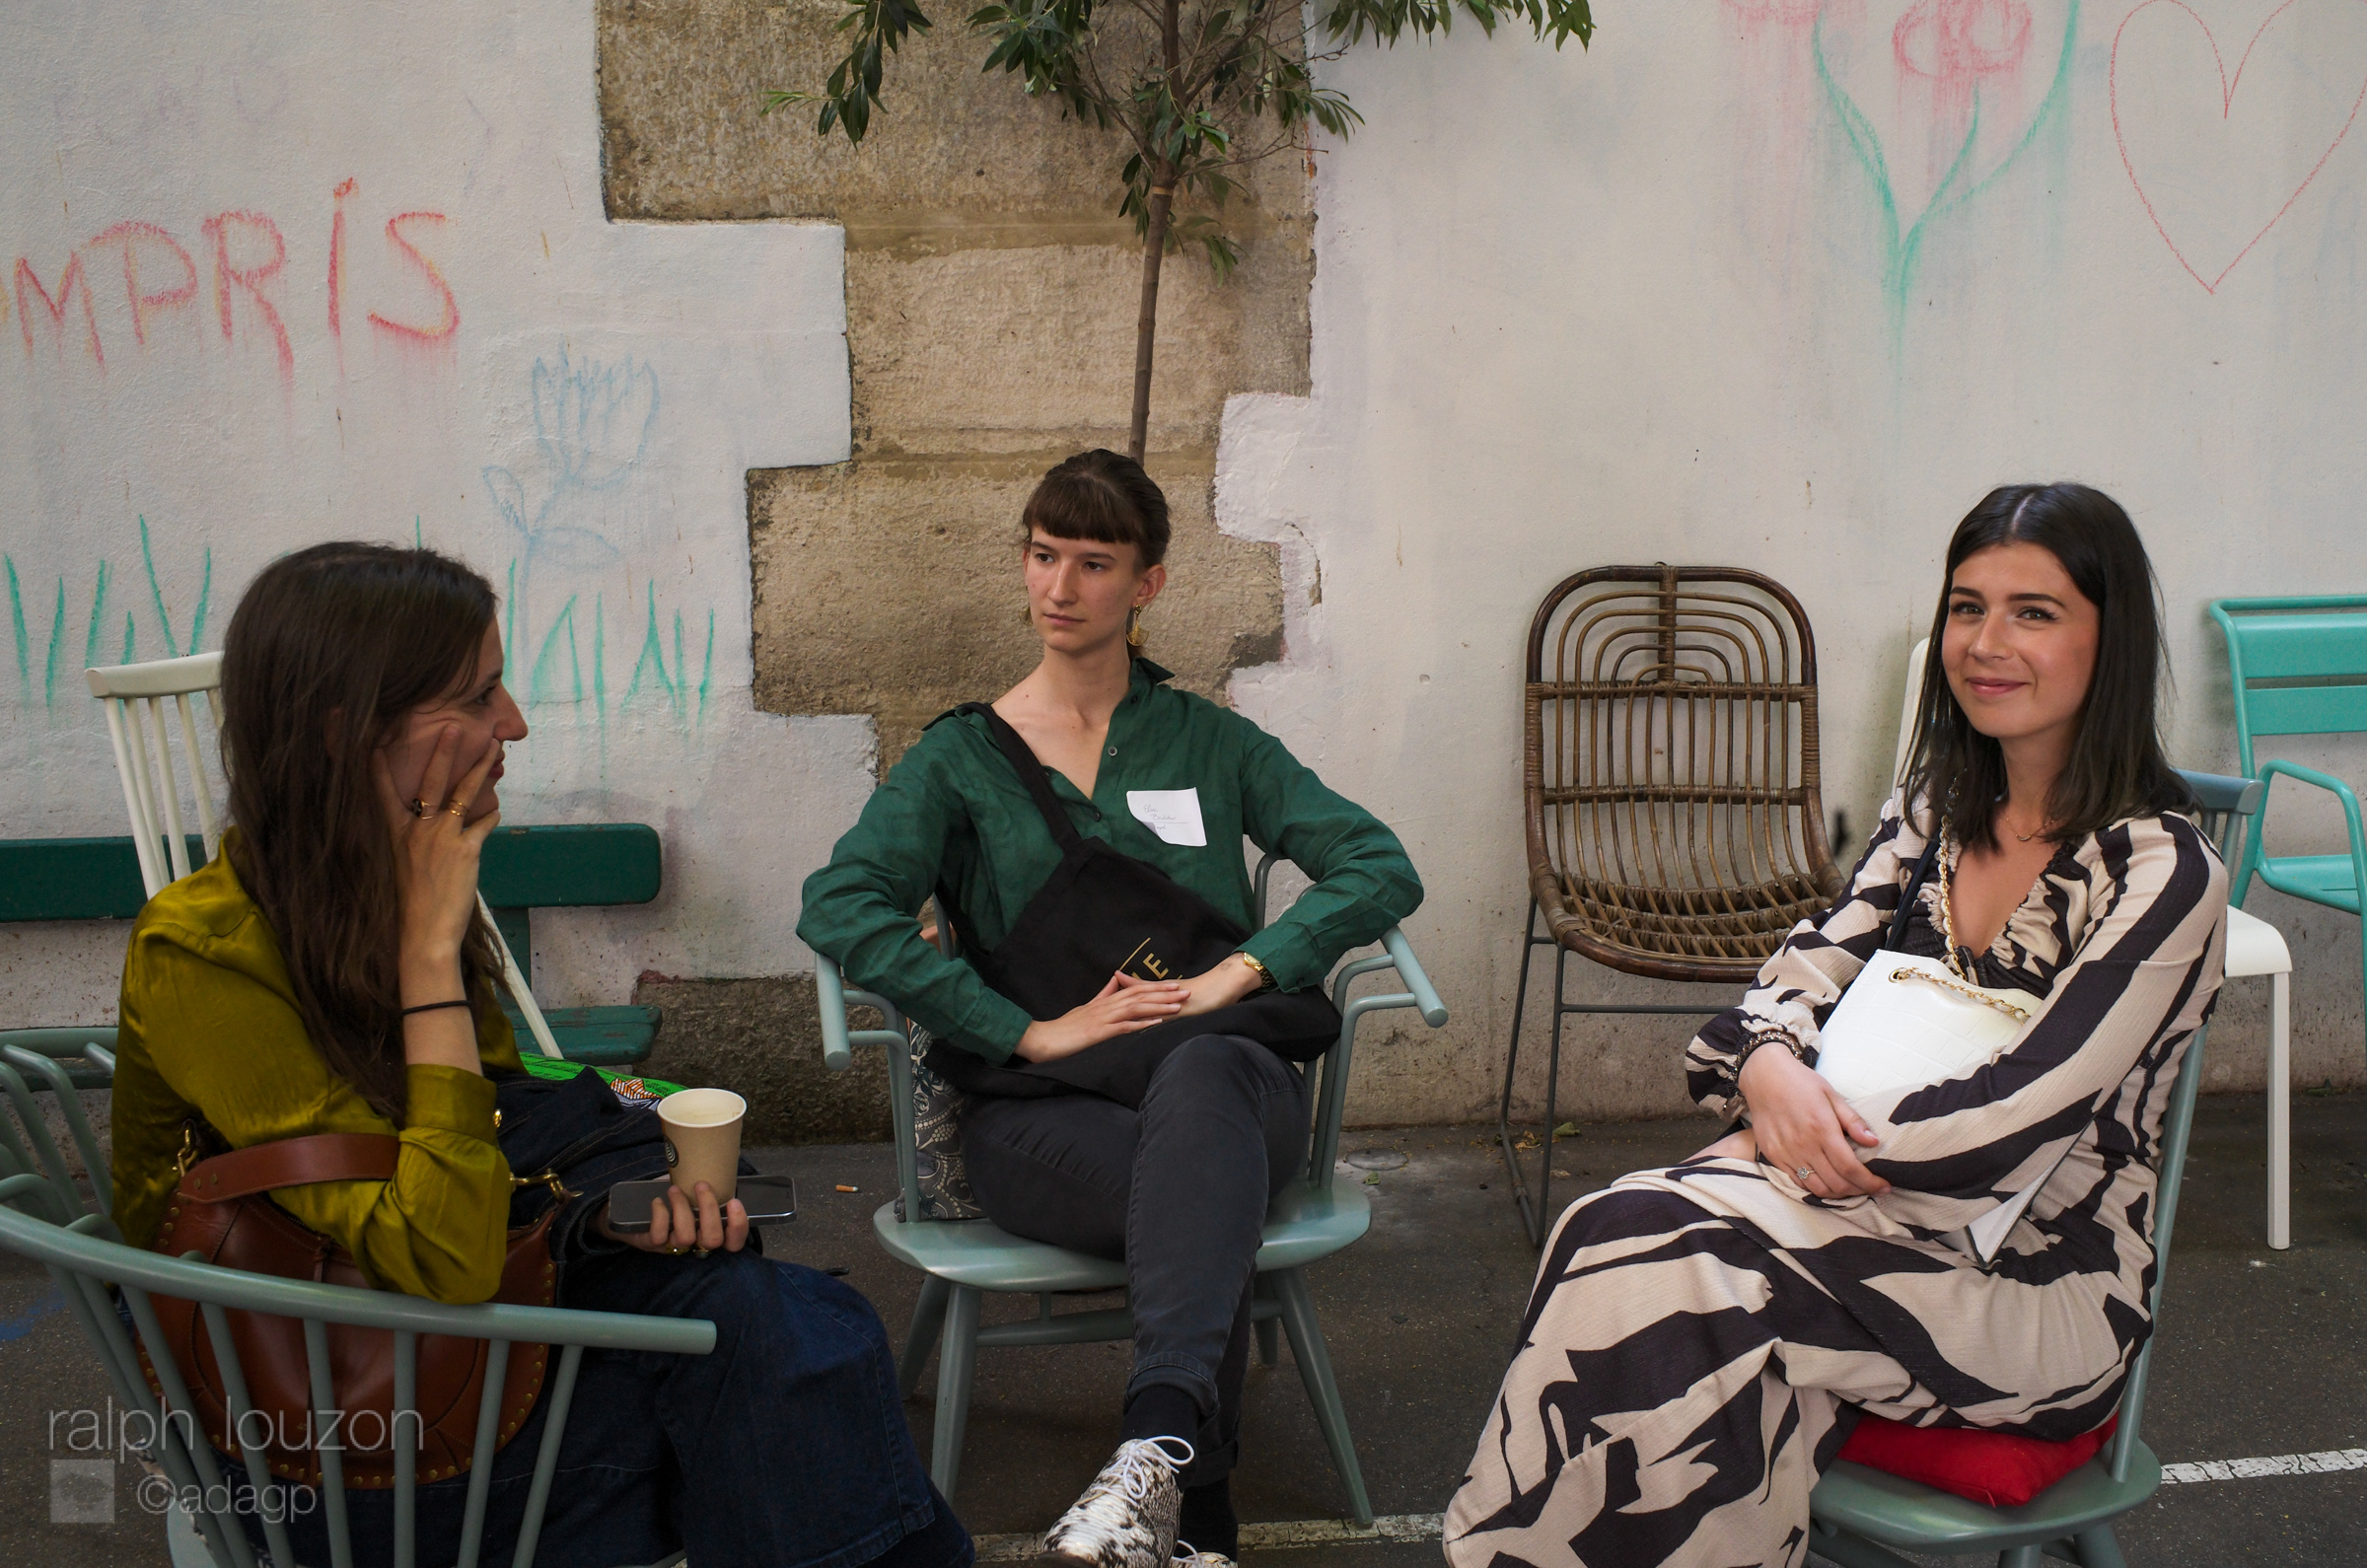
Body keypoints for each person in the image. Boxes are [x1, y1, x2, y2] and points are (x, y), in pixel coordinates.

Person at [109, 541, 971, 1568]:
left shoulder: (385, 884)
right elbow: (443, 1257)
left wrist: (602, 1222)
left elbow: (494, 1136)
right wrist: (430, 952)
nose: (513, 722)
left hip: (449, 1352)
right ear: (348, 732)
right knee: (789, 1375)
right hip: (332, 1435)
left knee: (789, 1330)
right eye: (477, 696)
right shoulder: (202, 952)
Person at [1445, 484, 2228, 1568]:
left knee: (1666, 1253)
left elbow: (2012, 1123)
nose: (1986, 644)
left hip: (2036, 1282)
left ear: (2113, 637)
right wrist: (1769, 1069)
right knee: (1617, 1227)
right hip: (1845, 1217)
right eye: (1966, 607)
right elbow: (1784, 989)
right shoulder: (1930, 819)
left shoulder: (2160, 872)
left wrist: (1774, 1136)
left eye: (2033, 612)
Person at [798, 450, 1424, 1568]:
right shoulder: (959, 761)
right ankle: (1189, 1501)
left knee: (1207, 1078)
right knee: (1202, 1191)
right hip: (1043, 1114)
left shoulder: (1211, 742)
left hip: (1226, 1083)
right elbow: (842, 908)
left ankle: (1154, 1469)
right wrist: (1022, 1029)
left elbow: (1374, 864)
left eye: (1094, 562)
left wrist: (1249, 969)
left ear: (1148, 586)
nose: (1060, 586)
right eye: (1043, 555)